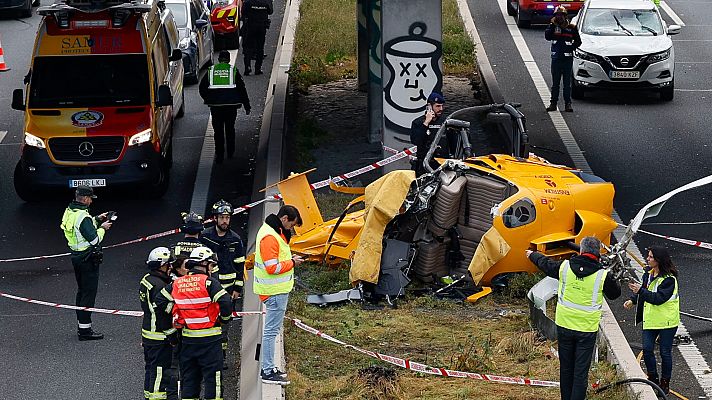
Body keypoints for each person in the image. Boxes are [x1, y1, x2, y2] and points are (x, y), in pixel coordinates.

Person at [526, 236, 621, 400]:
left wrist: (531, 254)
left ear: (581, 250)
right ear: (597, 252)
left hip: (565, 326)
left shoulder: (565, 267)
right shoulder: (602, 275)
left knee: (566, 369)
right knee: (580, 373)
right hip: (586, 330)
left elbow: (546, 264)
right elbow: (615, 293)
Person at [155, 247, 233, 400]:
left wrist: (177, 311)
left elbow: (160, 300)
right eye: (211, 265)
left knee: (190, 380)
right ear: (203, 264)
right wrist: (224, 320)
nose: (212, 269)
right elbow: (226, 302)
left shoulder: (178, 283)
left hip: (188, 341)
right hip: (210, 341)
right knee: (213, 380)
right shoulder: (209, 283)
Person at [254, 205, 303, 385]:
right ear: (284, 219)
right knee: (271, 332)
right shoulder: (270, 237)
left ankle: (269, 368)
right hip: (274, 292)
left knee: (271, 331)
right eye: (291, 225)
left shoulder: (272, 231)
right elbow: (272, 267)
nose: (291, 229)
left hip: (274, 292)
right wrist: (292, 262)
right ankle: (268, 371)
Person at [624, 246, 680, 395]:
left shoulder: (669, 280)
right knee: (648, 350)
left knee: (665, 352)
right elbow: (644, 290)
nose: (647, 259)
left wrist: (640, 291)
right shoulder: (647, 275)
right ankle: (653, 379)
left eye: (650, 257)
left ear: (658, 260)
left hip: (667, 322)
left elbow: (658, 298)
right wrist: (633, 299)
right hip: (650, 321)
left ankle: (665, 383)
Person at [60, 185, 112, 341]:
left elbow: (79, 230)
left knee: (81, 291)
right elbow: (94, 239)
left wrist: (95, 219)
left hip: (76, 256)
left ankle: (81, 326)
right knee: (89, 294)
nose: (91, 201)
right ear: (85, 198)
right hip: (87, 258)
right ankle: (85, 331)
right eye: (90, 198)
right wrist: (102, 228)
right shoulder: (83, 217)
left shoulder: (70, 211)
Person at [200, 199, 246, 368]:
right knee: (207, 322)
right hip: (208, 288)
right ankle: (206, 357)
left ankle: (221, 358)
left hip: (228, 291)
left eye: (227, 217)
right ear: (215, 218)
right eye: (222, 217)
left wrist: (238, 288)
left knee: (224, 325)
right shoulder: (205, 236)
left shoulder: (235, 239)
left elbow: (240, 264)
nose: (225, 221)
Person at [199, 49, 251, 164]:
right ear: (228, 59)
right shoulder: (233, 71)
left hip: (216, 106)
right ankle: (231, 152)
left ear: (219, 59)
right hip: (231, 106)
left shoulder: (211, 71)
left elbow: (202, 88)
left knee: (218, 131)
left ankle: (219, 155)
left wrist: (208, 99)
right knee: (230, 128)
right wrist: (247, 106)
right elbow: (242, 89)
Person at [139, 247, 177, 400]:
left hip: (148, 334)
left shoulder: (146, 280)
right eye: (169, 264)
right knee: (160, 372)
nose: (171, 268)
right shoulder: (160, 286)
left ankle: (149, 396)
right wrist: (172, 336)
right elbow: (163, 314)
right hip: (159, 336)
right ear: (162, 265)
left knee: (150, 369)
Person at [545, 6, 581, 113]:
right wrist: (552, 26)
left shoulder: (571, 27)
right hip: (556, 59)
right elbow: (547, 36)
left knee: (567, 84)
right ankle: (553, 103)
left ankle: (567, 104)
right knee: (555, 84)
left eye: (561, 15)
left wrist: (571, 47)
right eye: (557, 15)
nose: (559, 17)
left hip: (567, 59)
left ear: (565, 16)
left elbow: (578, 41)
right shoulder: (552, 27)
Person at [409, 92, 445, 177]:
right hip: (424, 165)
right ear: (429, 106)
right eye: (438, 106)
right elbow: (415, 140)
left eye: (442, 106)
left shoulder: (445, 122)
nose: (441, 109)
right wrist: (426, 123)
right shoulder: (418, 122)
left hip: (442, 164)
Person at [241, 0, 273, 75]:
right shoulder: (266, 2)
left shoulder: (248, 2)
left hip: (250, 27)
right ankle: (258, 69)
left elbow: (243, 12)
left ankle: (247, 67)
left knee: (248, 48)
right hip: (262, 27)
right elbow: (270, 11)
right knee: (260, 48)